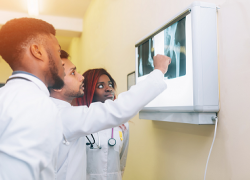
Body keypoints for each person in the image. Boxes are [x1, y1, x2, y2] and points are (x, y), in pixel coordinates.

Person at [49, 50, 171, 180]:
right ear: (56, 85)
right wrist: (159, 71)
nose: (81, 77)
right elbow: (120, 108)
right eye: (73, 73)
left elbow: (121, 163)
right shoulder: (62, 115)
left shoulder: (62, 112)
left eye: (110, 84)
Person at [0, 18, 65, 180]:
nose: (61, 62)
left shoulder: (7, 96)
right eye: (58, 52)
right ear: (37, 51)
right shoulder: (35, 104)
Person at [76, 68, 129, 180]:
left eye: (110, 85)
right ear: (88, 90)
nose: (108, 89)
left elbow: (122, 161)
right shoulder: (79, 121)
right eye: (100, 86)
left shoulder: (122, 124)